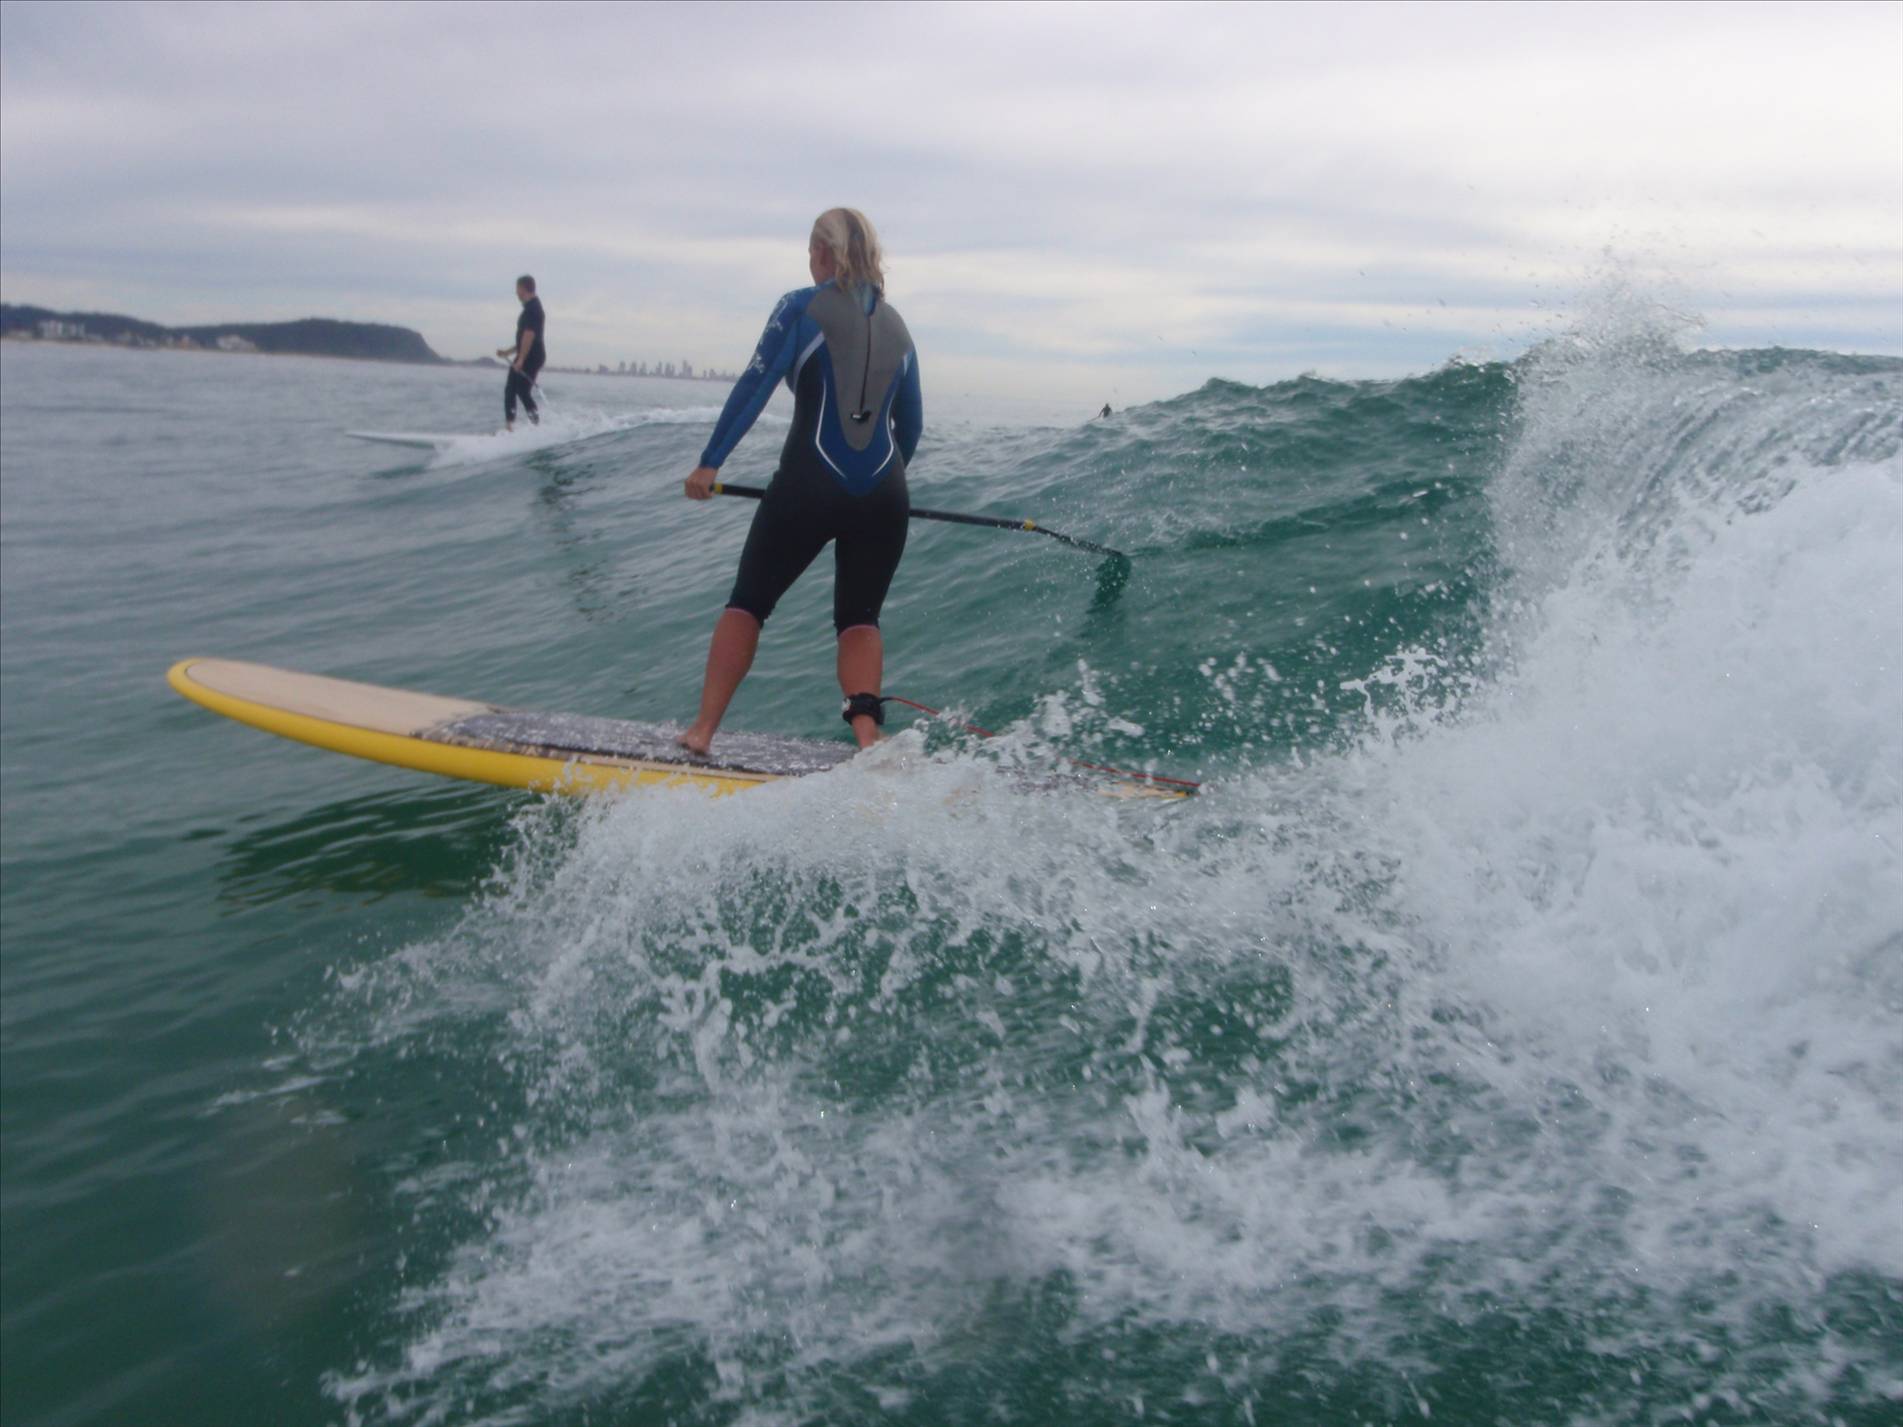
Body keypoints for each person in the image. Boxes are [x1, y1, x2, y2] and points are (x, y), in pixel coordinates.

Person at [679, 208, 923, 756]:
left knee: (748, 604)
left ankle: (702, 732)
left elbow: (755, 382)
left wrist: (709, 463)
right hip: (887, 497)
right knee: (860, 618)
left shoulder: (799, 307)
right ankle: (868, 738)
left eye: (810, 252)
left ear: (822, 253)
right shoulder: (899, 325)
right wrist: (878, 486)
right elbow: (911, 426)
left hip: (807, 487)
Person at [497, 275, 545, 429]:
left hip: (533, 356)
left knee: (522, 390)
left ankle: (537, 426)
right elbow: (523, 340)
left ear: (523, 289)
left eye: (517, 289)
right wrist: (508, 352)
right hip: (527, 354)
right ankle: (509, 427)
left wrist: (521, 359)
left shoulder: (533, 309)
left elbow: (529, 336)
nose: (516, 293)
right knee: (510, 388)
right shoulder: (529, 308)